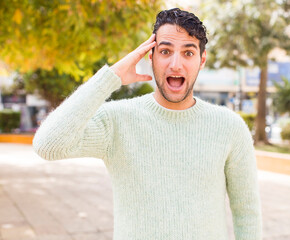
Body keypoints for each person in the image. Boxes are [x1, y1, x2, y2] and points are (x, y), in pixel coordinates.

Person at [33, 8, 262, 240]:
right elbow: (48, 144)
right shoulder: (116, 120)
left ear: (202, 60)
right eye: (165, 51)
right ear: (150, 57)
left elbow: (247, 213)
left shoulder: (229, 127)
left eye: (188, 53)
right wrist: (110, 77)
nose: (175, 64)